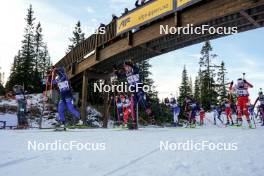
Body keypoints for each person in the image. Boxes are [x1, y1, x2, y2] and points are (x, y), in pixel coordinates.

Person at [114, 61, 153, 129]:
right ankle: (134, 122)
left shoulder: (135, 70)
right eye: (125, 68)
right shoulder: (126, 74)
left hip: (139, 88)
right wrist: (115, 70)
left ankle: (150, 114)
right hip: (133, 91)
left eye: (128, 67)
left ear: (130, 67)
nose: (127, 69)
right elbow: (119, 76)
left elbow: (137, 68)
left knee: (142, 100)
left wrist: (130, 63)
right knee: (132, 106)